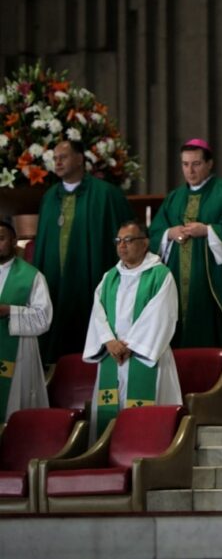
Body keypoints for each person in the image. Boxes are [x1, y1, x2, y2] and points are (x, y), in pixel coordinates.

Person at [149, 139, 222, 364]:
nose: (190, 171)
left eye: (196, 164)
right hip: (174, 283)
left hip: (213, 282)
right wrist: (168, 234)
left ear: (209, 163)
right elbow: (153, 234)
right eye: (185, 164)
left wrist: (209, 230)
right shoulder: (174, 198)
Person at [34, 139, 133, 364]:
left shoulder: (106, 194)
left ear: (80, 159)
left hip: (90, 283)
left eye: (63, 157)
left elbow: (128, 235)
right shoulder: (49, 197)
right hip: (55, 287)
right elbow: (42, 245)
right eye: (55, 158)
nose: (58, 162)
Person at [84, 220, 181, 439]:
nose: (122, 246)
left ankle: (149, 458)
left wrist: (132, 346)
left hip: (146, 356)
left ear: (145, 243)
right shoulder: (109, 277)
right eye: (118, 241)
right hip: (112, 356)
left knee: (148, 420)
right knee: (110, 417)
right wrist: (109, 341)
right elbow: (98, 313)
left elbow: (162, 315)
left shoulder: (160, 275)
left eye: (128, 240)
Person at [0, 221, 52, 421]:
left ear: (14, 241)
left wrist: (9, 311)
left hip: (19, 352)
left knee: (15, 408)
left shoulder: (32, 276)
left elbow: (43, 319)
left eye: (1, 238)